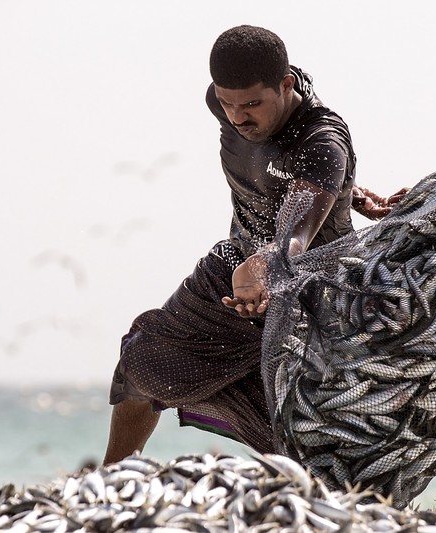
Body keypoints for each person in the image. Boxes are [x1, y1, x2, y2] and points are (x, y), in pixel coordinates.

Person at [102, 25, 405, 465]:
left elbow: (295, 234)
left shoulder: (323, 141)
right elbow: (295, 175)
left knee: (300, 441)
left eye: (251, 105)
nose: (238, 117)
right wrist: (351, 193)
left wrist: (267, 264)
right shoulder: (224, 103)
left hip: (310, 297)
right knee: (143, 361)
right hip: (234, 272)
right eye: (228, 104)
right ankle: (110, 480)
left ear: (285, 87)